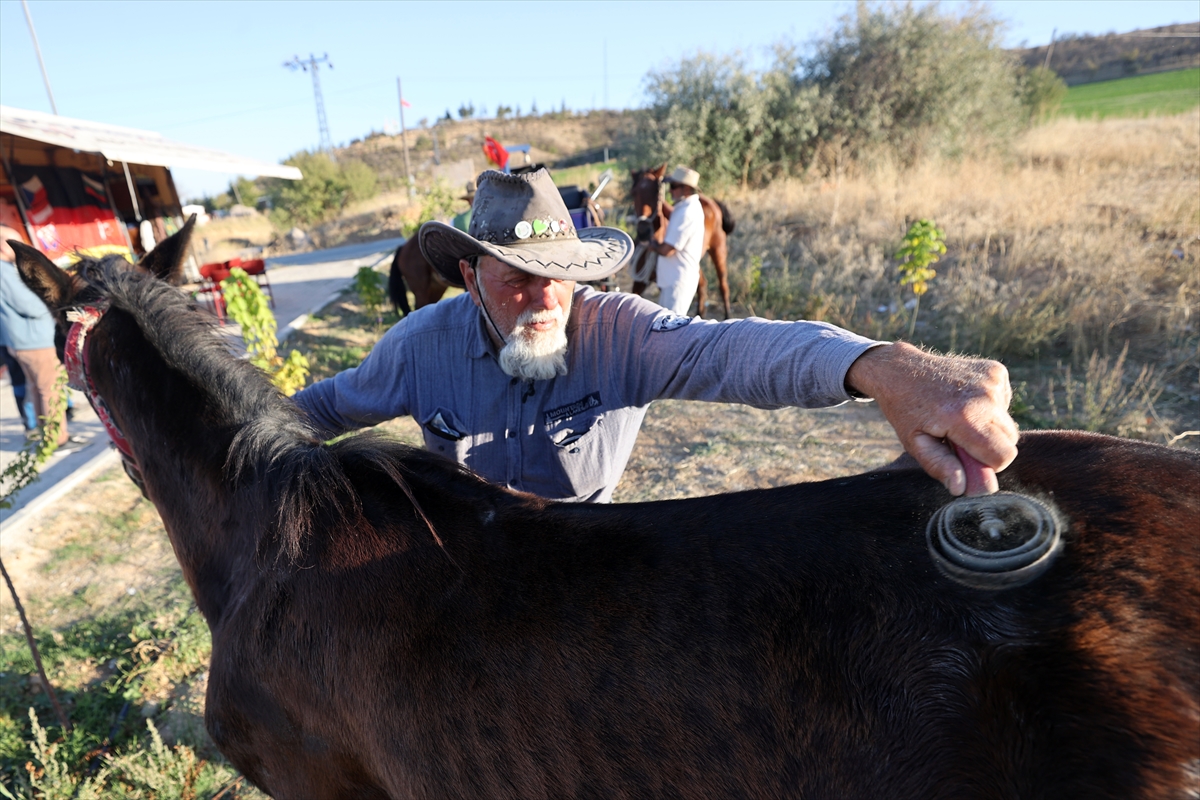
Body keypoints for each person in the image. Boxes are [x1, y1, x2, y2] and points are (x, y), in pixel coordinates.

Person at [293, 168, 1016, 503]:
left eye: (559, 272)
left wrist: (881, 364)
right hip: (462, 567)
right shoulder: (418, 347)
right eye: (516, 275)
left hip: (585, 561)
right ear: (470, 274)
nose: (544, 296)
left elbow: (730, 350)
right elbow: (326, 408)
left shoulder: (620, 333)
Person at [0, 226, 73, 448]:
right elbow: (28, 304)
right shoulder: (4, 271)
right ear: (4, 244)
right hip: (34, 340)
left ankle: (46, 437)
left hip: (20, 340)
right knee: (50, 389)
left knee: (37, 388)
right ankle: (58, 440)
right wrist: (53, 297)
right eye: (18, 243)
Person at [646, 166, 706, 315]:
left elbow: (668, 250)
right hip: (675, 280)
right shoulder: (686, 207)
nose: (671, 191)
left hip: (678, 282)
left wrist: (652, 245)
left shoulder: (686, 212)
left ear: (686, 189)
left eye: (673, 186)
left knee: (670, 329)